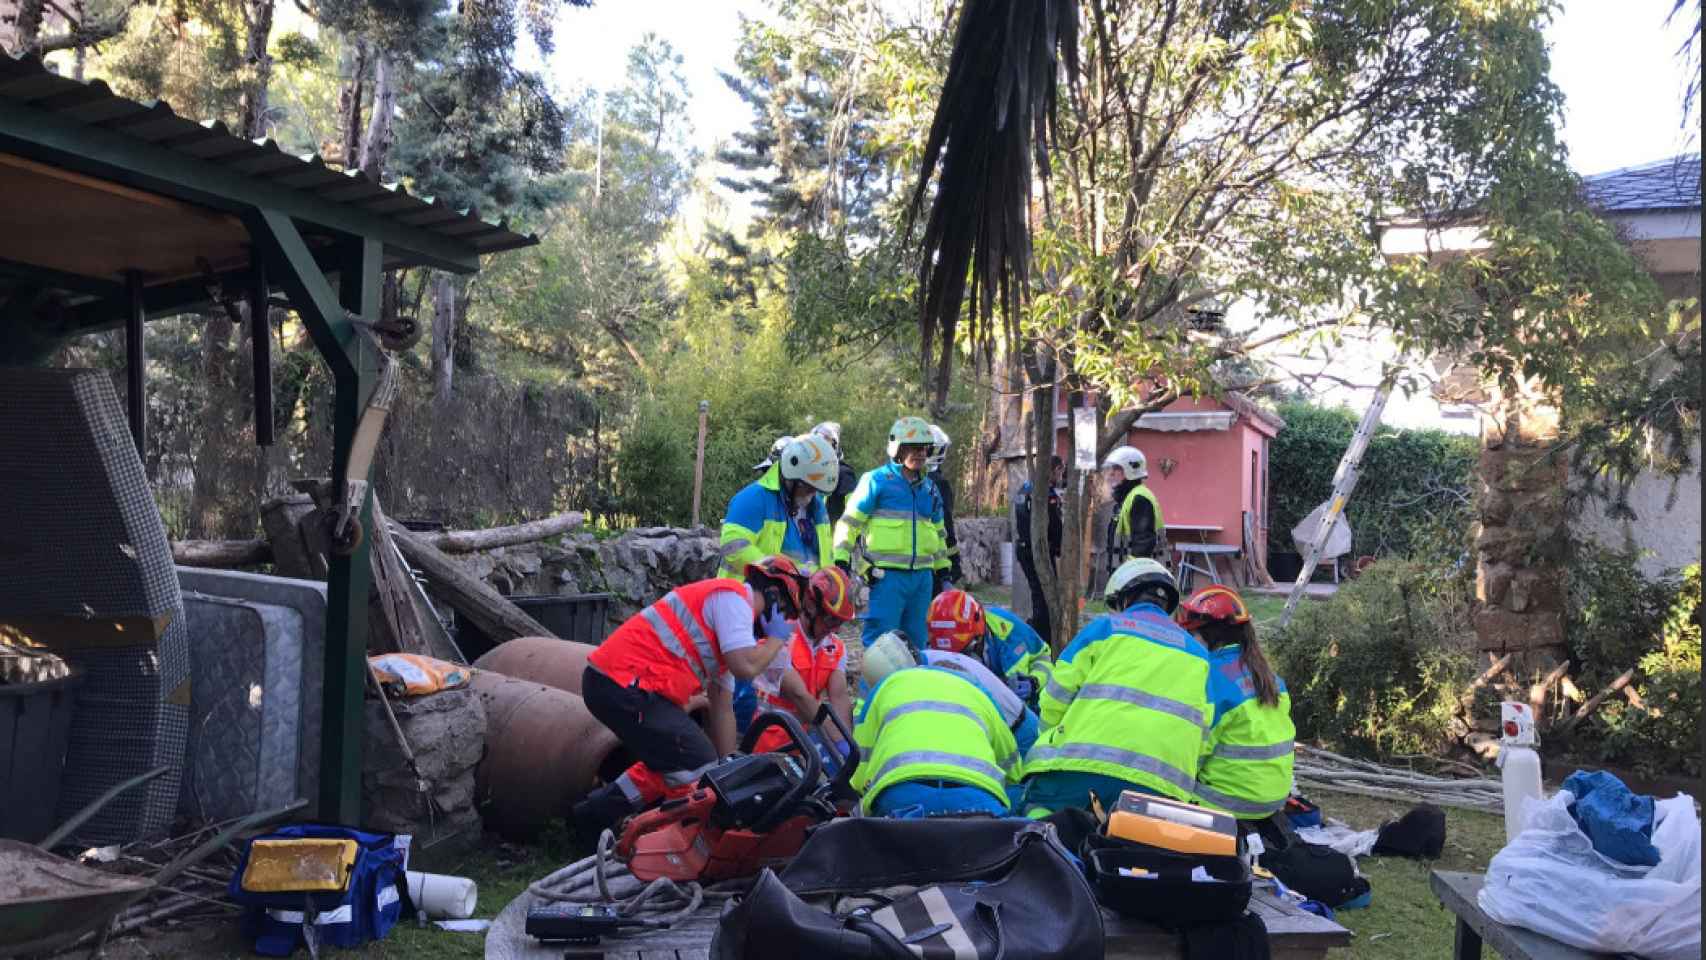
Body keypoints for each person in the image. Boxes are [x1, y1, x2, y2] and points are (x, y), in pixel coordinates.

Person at [572, 556, 816, 834]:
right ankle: (671, 838)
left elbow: (722, 706)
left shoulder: (731, 629)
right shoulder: (732, 600)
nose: (783, 622)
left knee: (678, 761)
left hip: (624, 686)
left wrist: (729, 769)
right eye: (784, 612)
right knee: (697, 763)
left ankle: (589, 819)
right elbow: (746, 667)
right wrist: (776, 639)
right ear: (773, 594)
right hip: (624, 684)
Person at [1018, 558, 1211, 818]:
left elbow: (1056, 695)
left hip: (1081, 771)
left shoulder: (1105, 629)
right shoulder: (1200, 657)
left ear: (1124, 599)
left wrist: (1049, 737)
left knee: (1036, 815)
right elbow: (1204, 733)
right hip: (1162, 791)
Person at [851, 631, 1021, 818]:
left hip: (900, 794)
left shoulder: (885, 688)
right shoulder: (978, 691)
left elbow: (860, 767)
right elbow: (1012, 768)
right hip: (976, 797)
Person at [1176, 585, 1295, 821]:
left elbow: (1191, 755)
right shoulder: (1269, 676)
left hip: (1226, 804)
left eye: (1192, 635)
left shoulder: (1209, 679)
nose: (1188, 641)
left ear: (1208, 635)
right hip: (1273, 801)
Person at [833, 416, 948, 652]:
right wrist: (841, 560)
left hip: (922, 580)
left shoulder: (930, 489)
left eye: (924, 448)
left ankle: (912, 689)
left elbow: (939, 533)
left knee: (917, 645)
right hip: (886, 579)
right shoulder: (875, 481)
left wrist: (944, 571)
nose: (920, 454)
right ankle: (875, 690)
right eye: (912, 448)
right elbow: (849, 523)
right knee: (881, 646)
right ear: (898, 448)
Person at [750, 566, 858, 755]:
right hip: (766, 742)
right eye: (831, 621)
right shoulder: (777, 637)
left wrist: (848, 745)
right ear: (810, 607)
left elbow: (839, 696)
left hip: (800, 746)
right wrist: (840, 741)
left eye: (840, 623)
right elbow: (799, 696)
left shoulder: (835, 647)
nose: (836, 629)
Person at [721, 433, 838, 577]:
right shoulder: (753, 498)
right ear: (792, 476)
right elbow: (732, 547)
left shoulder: (817, 507)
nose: (812, 495)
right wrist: (777, 570)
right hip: (746, 595)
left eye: (817, 490)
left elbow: (825, 556)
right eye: (808, 488)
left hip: (797, 596)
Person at [926, 588, 1054, 708]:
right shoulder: (930, 653)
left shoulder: (1010, 629)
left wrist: (1034, 682)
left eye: (967, 650)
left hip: (1026, 709)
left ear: (979, 629)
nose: (963, 658)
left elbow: (1043, 657)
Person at [1014, 456, 1064, 647]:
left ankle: (1039, 633)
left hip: (1025, 548)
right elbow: (1054, 524)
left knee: (1038, 594)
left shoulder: (1025, 487)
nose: (1060, 476)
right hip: (1039, 551)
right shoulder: (1045, 492)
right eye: (1060, 471)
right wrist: (1059, 547)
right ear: (1053, 470)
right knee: (1045, 597)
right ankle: (1043, 639)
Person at [1102, 445, 1164, 575]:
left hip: (1140, 579)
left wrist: (1129, 575)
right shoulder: (1127, 499)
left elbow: (1143, 545)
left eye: (1117, 468)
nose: (1112, 473)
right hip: (1129, 579)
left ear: (1129, 470)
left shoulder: (1139, 499)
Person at [926, 424, 961, 592]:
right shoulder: (938, 484)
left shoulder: (901, 480)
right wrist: (953, 563)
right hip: (935, 564)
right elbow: (945, 526)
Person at [811, 421, 858, 524]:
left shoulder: (843, 473)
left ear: (833, 446)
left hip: (834, 536)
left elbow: (855, 512)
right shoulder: (810, 473)